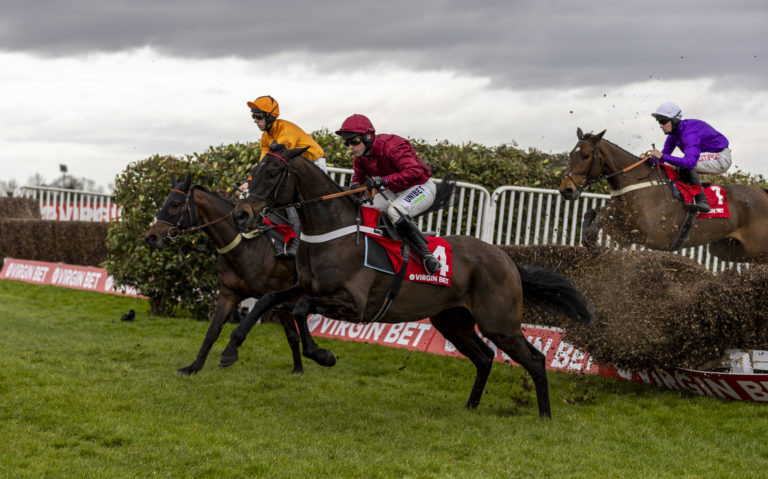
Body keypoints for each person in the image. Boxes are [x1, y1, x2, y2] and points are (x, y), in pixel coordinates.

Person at [335, 114, 442, 275]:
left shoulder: (392, 145)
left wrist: (382, 181)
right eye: (347, 142)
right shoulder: (360, 158)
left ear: (369, 135)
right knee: (366, 209)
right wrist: (354, 189)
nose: (350, 146)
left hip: (421, 187)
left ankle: (427, 256)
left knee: (395, 211)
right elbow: (358, 178)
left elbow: (415, 172)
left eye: (354, 141)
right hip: (395, 190)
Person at [245, 95, 326, 257]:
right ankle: (280, 239)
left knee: (288, 197)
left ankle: (296, 243)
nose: (255, 120)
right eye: (253, 115)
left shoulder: (286, 132)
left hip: (313, 163)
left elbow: (276, 162)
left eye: (258, 116)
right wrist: (250, 182)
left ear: (270, 117)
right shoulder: (265, 137)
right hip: (294, 166)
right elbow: (263, 165)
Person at [641, 102, 732, 213]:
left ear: (674, 120)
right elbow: (663, 159)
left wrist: (662, 156)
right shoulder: (673, 135)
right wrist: (647, 159)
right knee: (672, 163)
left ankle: (702, 200)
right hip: (706, 156)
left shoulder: (690, 133)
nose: (660, 125)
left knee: (684, 164)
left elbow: (689, 163)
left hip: (721, 157)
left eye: (663, 121)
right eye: (659, 121)